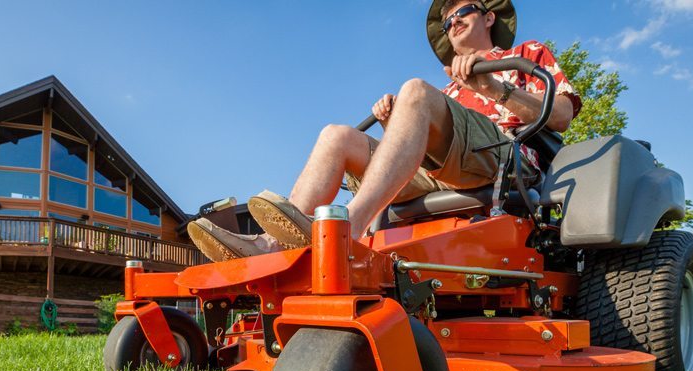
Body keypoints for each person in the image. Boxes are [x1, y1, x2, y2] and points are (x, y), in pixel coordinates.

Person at [188, 0, 581, 263]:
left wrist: (495, 88)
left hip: (505, 157)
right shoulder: (447, 89)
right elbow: (417, 147)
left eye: (460, 11)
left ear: (489, 16)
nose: (452, 22)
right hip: (443, 170)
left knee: (414, 91)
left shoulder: (527, 53)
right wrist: (398, 121)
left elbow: (561, 113)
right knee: (336, 135)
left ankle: (348, 230)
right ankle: (271, 246)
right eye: (446, 21)